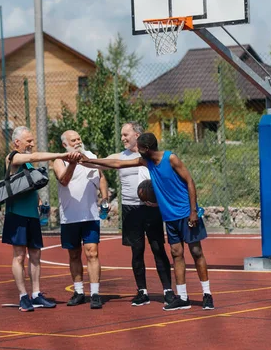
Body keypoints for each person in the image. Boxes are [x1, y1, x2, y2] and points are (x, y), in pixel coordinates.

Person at [80, 132, 214, 311]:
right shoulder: (147, 162)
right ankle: (182, 297)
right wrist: (90, 162)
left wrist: (193, 211)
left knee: (196, 251)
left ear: (146, 149)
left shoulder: (171, 158)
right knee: (176, 254)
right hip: (170, 216)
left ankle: (207, 295)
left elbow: (189, 181)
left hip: (185, 212)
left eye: (140, 149)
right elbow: (118, 163)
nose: (138, 152)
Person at [2, 125, 80, 312]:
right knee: (19, 256)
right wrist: (60, 156)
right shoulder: (13, 157)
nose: (31, 144)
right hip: (17, 215)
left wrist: (39, 202)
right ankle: (23, 296)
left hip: (32, 215)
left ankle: (36, 294)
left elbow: (29, 184)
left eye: (32, 140)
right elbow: (34, 156)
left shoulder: (27, 164)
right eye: (28, 141)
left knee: (36, 255)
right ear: (17, 142)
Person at [106, 122, 175, 307]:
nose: (122, 138)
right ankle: (142, 291)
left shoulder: (150, 155)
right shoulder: (121, 156)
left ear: (137, 135)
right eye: (121, 135)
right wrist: (82, 159)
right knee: (136, 252)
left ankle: (168, 290)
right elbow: (104, 163)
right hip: (130, 209)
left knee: (158, 249)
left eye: (125, 134)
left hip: (151, 208)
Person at [53, 130, 109, 310]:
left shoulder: (91, 157)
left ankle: (95, 293)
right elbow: (63, 180)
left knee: (92, 253)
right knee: (74, 254)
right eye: (73, 140)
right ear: (65, 145)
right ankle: (78, 292)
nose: (77, 142)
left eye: (79, 139)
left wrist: (105, 197)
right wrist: (73, 163)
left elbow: (101, 178)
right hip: (69, 217)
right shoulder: (59, 160)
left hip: (90, 215)